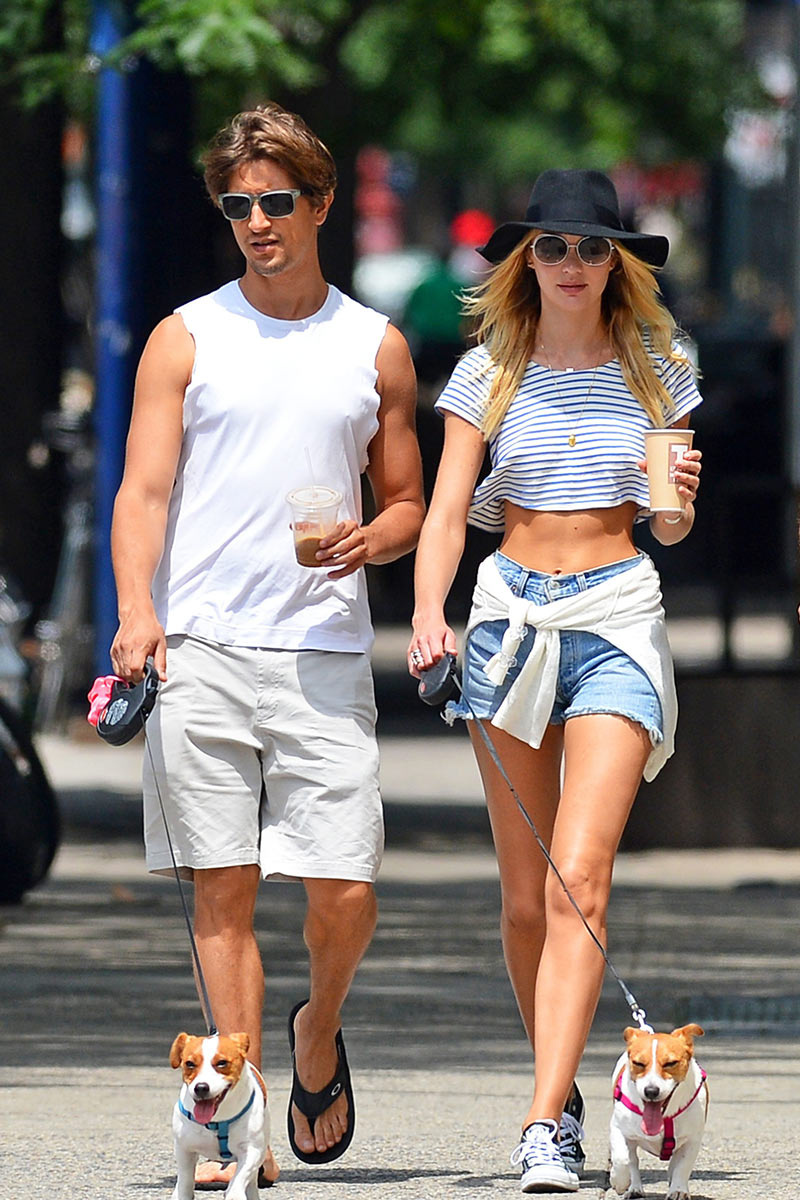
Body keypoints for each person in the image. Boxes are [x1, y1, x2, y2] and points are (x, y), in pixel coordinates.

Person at [110, 103, 424, 1182]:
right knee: (222, 889)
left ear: (321, 203)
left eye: (277, 201)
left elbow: (407, 500)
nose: (257, 222)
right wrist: (137, 610)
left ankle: (317, 1027)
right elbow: (143, 491)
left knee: (343, 886)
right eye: (237, 205)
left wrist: (374, 537)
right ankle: (236, 1129)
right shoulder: (185, 337)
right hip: (198, 644)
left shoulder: (372, 346)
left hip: (321, 650)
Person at [408, 169, 702, 1194]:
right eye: (551, 246)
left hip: (616, 615)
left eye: (590, 247)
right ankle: (561, 1087)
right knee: (527, 898)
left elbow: (669, 524)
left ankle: (541, 1125)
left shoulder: (659, 366)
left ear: (616, 261)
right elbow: (448, 509)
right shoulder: (487, 369)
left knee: (579, 877)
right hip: (509, 619)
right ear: (524, 260)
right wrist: (428, 613)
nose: (570, 263)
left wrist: (676, 505)